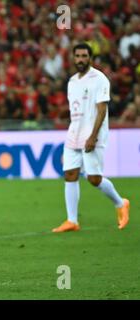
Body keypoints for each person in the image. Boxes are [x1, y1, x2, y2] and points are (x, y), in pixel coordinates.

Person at [52, 43, 130, 233]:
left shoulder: (99, 79)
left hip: (92, 135)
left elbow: (102, 109)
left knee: (94, 178)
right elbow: (76, 109)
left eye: (84, 56)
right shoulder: (72, 81)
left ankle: (121, 203)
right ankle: (72, 221)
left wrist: (93, 136)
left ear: (90, 58)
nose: (80, 59)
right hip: (74, 133)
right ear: (73, 58)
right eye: (77, 56)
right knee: (70, 174)